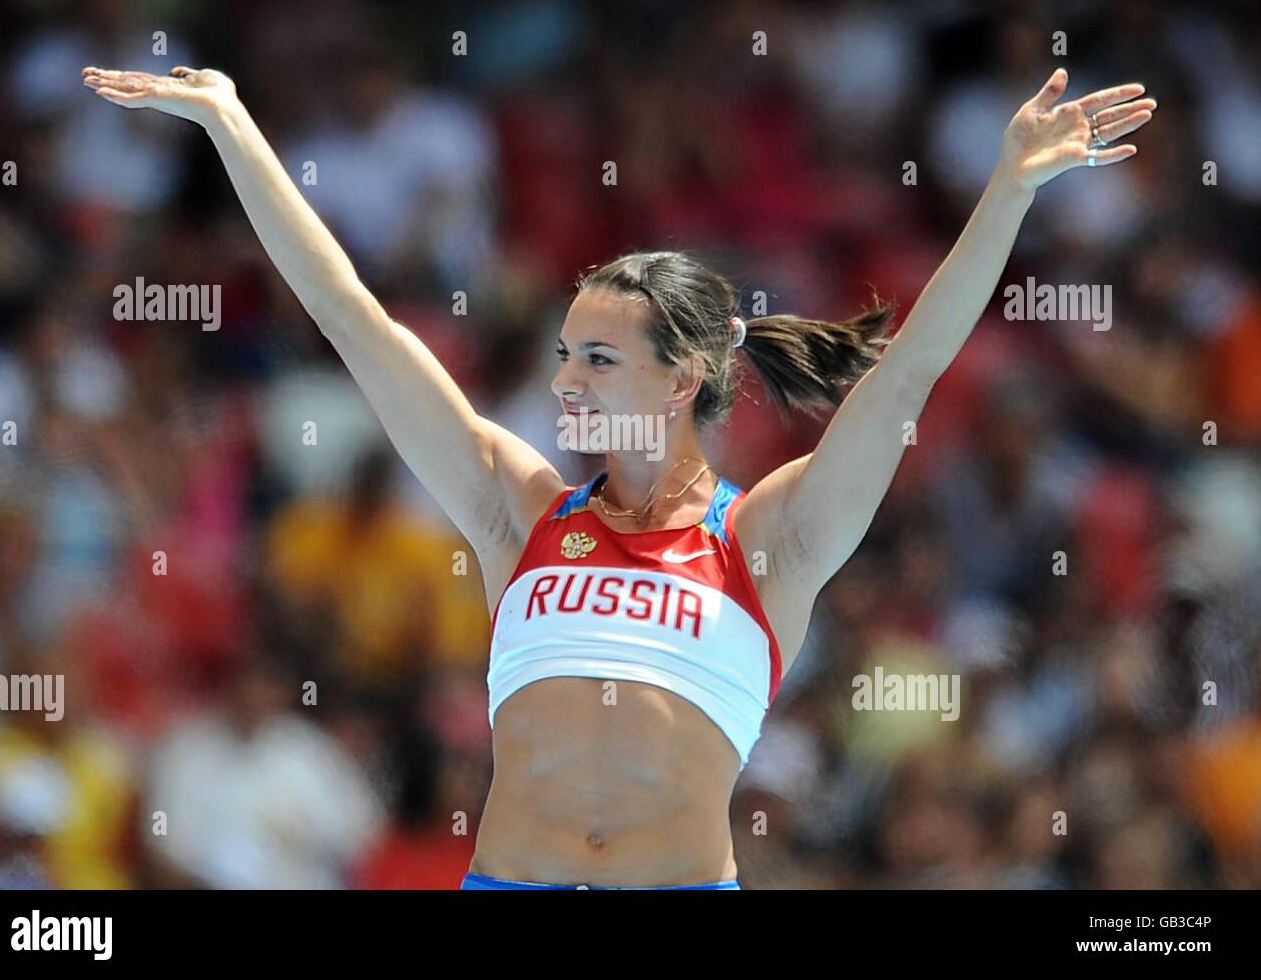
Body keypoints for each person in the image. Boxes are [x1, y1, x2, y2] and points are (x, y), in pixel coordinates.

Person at [81, 63, 1155, 889]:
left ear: (683, 376)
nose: (563, 381)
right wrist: (233, 124)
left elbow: (909, 368)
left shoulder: (768, 537)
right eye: (560, 352)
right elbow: (352, 317)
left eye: (596, 357)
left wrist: (1011, 188)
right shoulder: (519, 509)